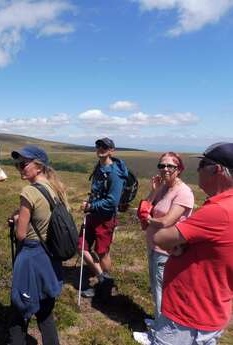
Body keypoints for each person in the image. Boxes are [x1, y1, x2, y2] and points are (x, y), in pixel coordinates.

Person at [149, 142, 233, 345]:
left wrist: (179, 244)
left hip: (188, 315)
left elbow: (160, 237)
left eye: (202, 164)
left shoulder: (219, 211)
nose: (198, 170)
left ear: (217, 170)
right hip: (213, 309)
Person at [133, 153, 194, 345]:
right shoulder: (164, 188)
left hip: (167, 251)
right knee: (156, 288)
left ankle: (159, 336)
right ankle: (159, 322)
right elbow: (145, 205)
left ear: (180, 169)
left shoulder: (183, 192)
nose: (165, 169)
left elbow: (167, 221)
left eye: (170, 166)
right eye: (162, 165)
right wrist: (155, 190)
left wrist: (147, 219)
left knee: (163, 292)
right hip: (154, 246)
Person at [8, 145, 65, 345]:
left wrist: (16, 219)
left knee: (18, 311)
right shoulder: (55, 188)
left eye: (24, 164)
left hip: (31, 256)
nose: (20, 167)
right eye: (18, 165)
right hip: (50, 256)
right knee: (45, 312)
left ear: (38, 166)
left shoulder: (29, 191)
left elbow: (21, 234)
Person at [79, 137, 128, 299]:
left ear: (112, 150)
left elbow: (112, 201)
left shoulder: (114, 173)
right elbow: (97, 192)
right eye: (98, 146)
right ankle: (103, 278)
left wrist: (91, 206)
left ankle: (106, 285)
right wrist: (90, 203)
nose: (101, 149)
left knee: (102, 253)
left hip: (105, 218)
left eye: (105, 147)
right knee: (81, 247)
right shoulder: (99, 167)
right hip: (92, 215)